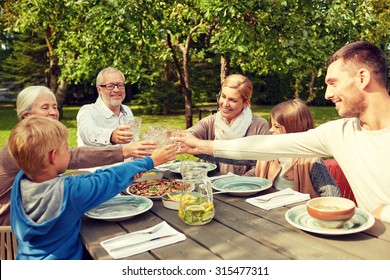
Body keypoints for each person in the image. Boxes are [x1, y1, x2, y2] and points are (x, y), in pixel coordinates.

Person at [179, 41, 390, 223]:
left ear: (362, 78)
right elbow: (264, 146)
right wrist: (200, 145)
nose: (327, 94)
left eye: (333, 83)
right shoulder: (338, 133)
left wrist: (384, 213)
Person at [8, 115, 177, 260]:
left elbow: (88, 181)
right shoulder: (70, 192)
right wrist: (150, 161)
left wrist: (131, 173)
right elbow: (108, 179)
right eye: (66, 149)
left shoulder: (21, 181)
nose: (69, 153)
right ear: (53, 156)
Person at [0, 85, 157, 226]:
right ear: (26, 116)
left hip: (33, 218)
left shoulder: (26, 137)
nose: (53, 112)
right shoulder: (25, 144)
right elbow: (74, 157)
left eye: (55, 106)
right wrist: (126, 153)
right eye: (45, 107)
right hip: (14, 226)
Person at [245, 98, 340, 197]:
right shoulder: (270, 153)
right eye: (271, 125)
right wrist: (240, 179)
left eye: (276, 127)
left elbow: (332, 194)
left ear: (293, 129)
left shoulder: (311, 160)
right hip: (267, 208)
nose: (271, 130)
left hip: (297, 210)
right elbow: (255, 172)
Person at [187, 74, 269, 175]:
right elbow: (189, 135)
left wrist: (234, 185)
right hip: (211, 184)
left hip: (245, 187)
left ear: (246, 103)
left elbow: (260, 166)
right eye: (223, 96)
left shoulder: (259, 125)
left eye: (232, 100)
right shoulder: (211, 121)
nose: (225, 104)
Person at [77, 67, 136, 146]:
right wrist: (111, 136)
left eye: (120, 85)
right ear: (99, 90)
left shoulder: (127, 110)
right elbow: (86, 132)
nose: (116, 90)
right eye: (110, 86)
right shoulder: (88, 111)